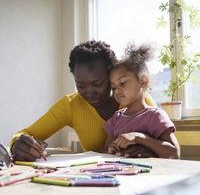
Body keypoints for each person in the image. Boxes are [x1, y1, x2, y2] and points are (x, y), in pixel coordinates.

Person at [10, 40, 157, 162]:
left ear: (111, 76)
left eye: (98, 84)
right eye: (81, 85)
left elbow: (167, 144)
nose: (89, 92)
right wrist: (18, 143)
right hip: (96, 179)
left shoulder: (137, 100)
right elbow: (26, 133)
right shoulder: (71, 105)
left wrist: (149, 148)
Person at [103, 43, 180, 159]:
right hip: (123, 174)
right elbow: (104, 150)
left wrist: (139, 138)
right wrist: (111, 149)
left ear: (143, 81)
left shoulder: (155, 116)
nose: (117, 91)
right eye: (113, 87)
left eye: (122, 83)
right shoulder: (116, 118)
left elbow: (174, 153)